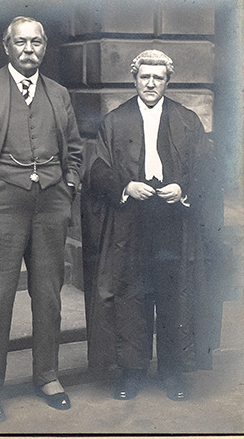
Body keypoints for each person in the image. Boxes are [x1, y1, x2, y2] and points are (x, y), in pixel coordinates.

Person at [0, 16, 83, 423]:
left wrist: (69, 184)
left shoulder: (58, 94)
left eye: (37, 42)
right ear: (6, 46)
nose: (29, 49)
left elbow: (74, 147)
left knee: (48, 294)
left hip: (50, 204)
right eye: (21, 42)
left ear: (45, 47)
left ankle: (47, 375)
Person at [82, 49, 222, 402]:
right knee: (132, 296)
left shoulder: (187, 119)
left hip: (174, 222)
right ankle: (133, 372)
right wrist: (125, 187)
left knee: (174, 296)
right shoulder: (114, 121)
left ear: (167, 82)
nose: (150, 83)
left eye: (158, 78)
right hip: (130, 222)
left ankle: (173, 372)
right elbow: (96, 169)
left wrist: (184, 188)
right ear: (134, 79)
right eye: (145, 76)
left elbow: (206, 169)